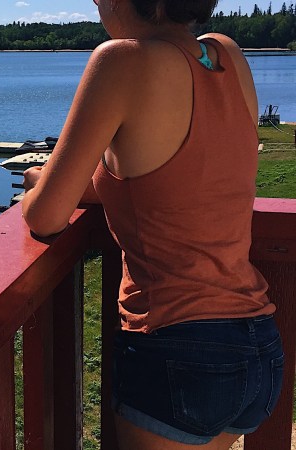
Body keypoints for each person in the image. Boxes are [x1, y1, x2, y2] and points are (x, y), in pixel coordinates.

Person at [20, 0, 284, 448]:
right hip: (256, 343)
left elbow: (46, 218)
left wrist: (37, 185)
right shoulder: (225, 53)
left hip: (176, 344)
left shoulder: (120, 61)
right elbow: (165, 176)